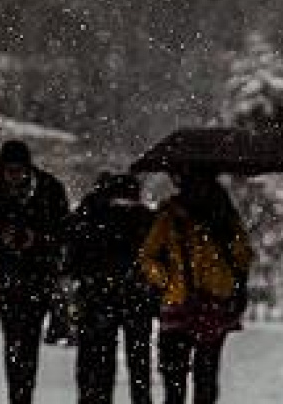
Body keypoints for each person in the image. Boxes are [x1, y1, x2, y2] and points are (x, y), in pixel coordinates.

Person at [0, 139, 70, 404]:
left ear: (28, 168)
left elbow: (65, 234)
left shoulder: (50, 189)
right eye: (9, 171)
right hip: (7, 279)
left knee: (29, 339)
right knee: (14, 339)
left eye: (18, 171)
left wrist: (36, 239)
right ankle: (18, 395)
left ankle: (24, 393)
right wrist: (0, 237)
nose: (14, 176)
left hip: (38, 278)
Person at [139, 170, 251, 404]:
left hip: (183, 304)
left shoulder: (173, 215)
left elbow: (148, 257)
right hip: (209, 304)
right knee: (202, 376)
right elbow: (243, 257)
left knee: (179, 378)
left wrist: (167, 281)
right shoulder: (223, 216)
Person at [65, 172, 157, 404]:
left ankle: (95, 397)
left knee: (99, 361)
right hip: (132, 294)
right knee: (137, 360)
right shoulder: (144, 219)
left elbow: (72, 257)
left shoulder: (90, 215)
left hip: (99, 295)